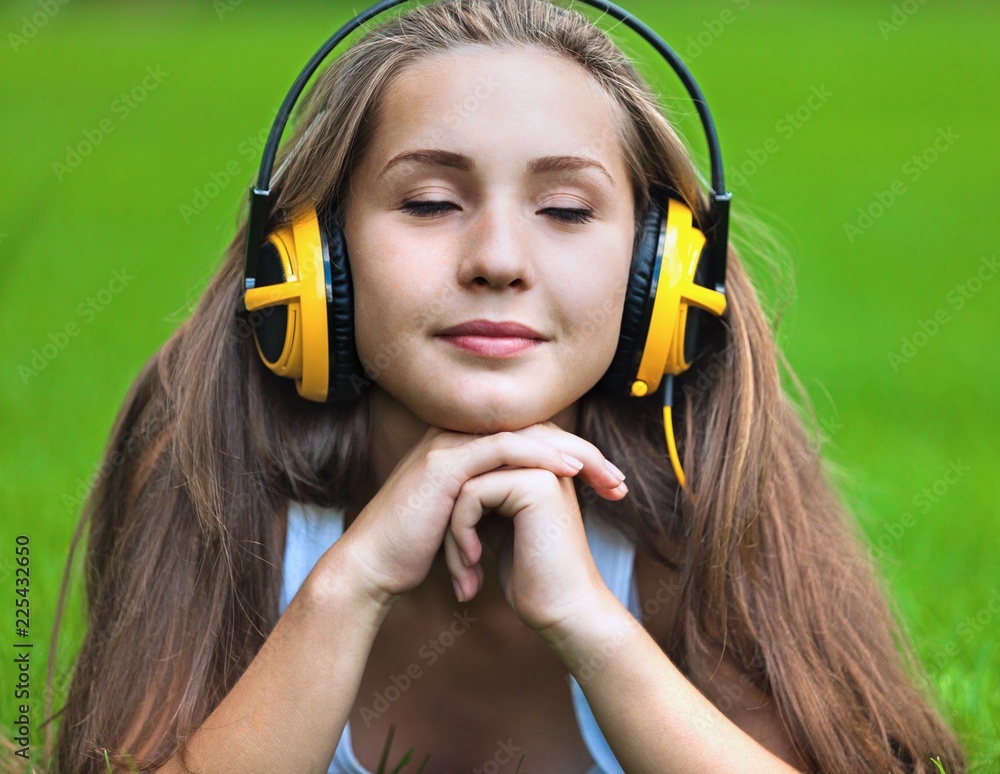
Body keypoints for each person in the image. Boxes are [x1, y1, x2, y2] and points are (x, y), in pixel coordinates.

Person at [48, 0, 966, 771]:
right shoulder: (213, 467)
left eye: (566, 210)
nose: (495, 259)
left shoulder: (700, 499)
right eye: (429, 203)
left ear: (664, 272)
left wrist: (592, 626)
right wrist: (350, 585)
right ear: (314, 257)